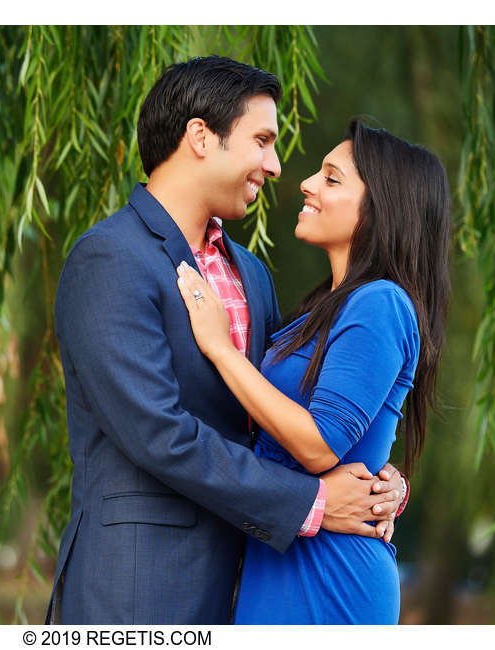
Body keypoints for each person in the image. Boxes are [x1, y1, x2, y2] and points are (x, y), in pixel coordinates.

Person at [46, 57, 408, 625]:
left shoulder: (252, 275)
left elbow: (290, 414)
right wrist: (315, 503)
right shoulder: (110, 258)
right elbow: (159, 434)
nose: (276, 164)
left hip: (250, 585)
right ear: (199, 137)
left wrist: (379, 479)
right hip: (141, 588)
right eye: (262, 140)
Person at [175, 119, 451, 623]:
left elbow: (320, 443)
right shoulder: (319, 310)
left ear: (378, 211)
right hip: (281, 559)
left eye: (331, 178)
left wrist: (221, 348)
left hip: (331, 576)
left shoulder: (381, 304)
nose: (305, 182)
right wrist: (390, 484)